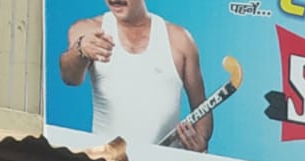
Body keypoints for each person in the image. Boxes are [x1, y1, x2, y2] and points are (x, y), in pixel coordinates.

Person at [58, 0, 210, 152]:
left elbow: (201, 105)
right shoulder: (88, 30)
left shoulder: (180, 39)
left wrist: (201, 141)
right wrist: (81, 50)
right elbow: (70, 78)